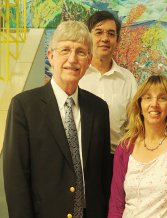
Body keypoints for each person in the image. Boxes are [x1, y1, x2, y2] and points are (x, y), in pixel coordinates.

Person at [3, 21, 112, 218]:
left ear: (89, 61)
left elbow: (104, 174)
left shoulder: (99, 108)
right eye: (65, 50)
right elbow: (15, 178)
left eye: (80, 52)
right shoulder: (24, 106)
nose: (73, 59)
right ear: (51, 56)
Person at [108, 75, 167, 218]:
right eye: (147, 97)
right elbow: (116, 204)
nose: (154, 104)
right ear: (139, 105)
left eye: (162, 98)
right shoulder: (125, 147)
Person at [79, 10, 138, 156]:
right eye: (98, 32)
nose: (105, 38)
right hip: (80, 158)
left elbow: (135, 125)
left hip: (116, 158)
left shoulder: (127, 79)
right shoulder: (77, 75)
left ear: (117, 41)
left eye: (111, 34)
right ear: (88, 38)